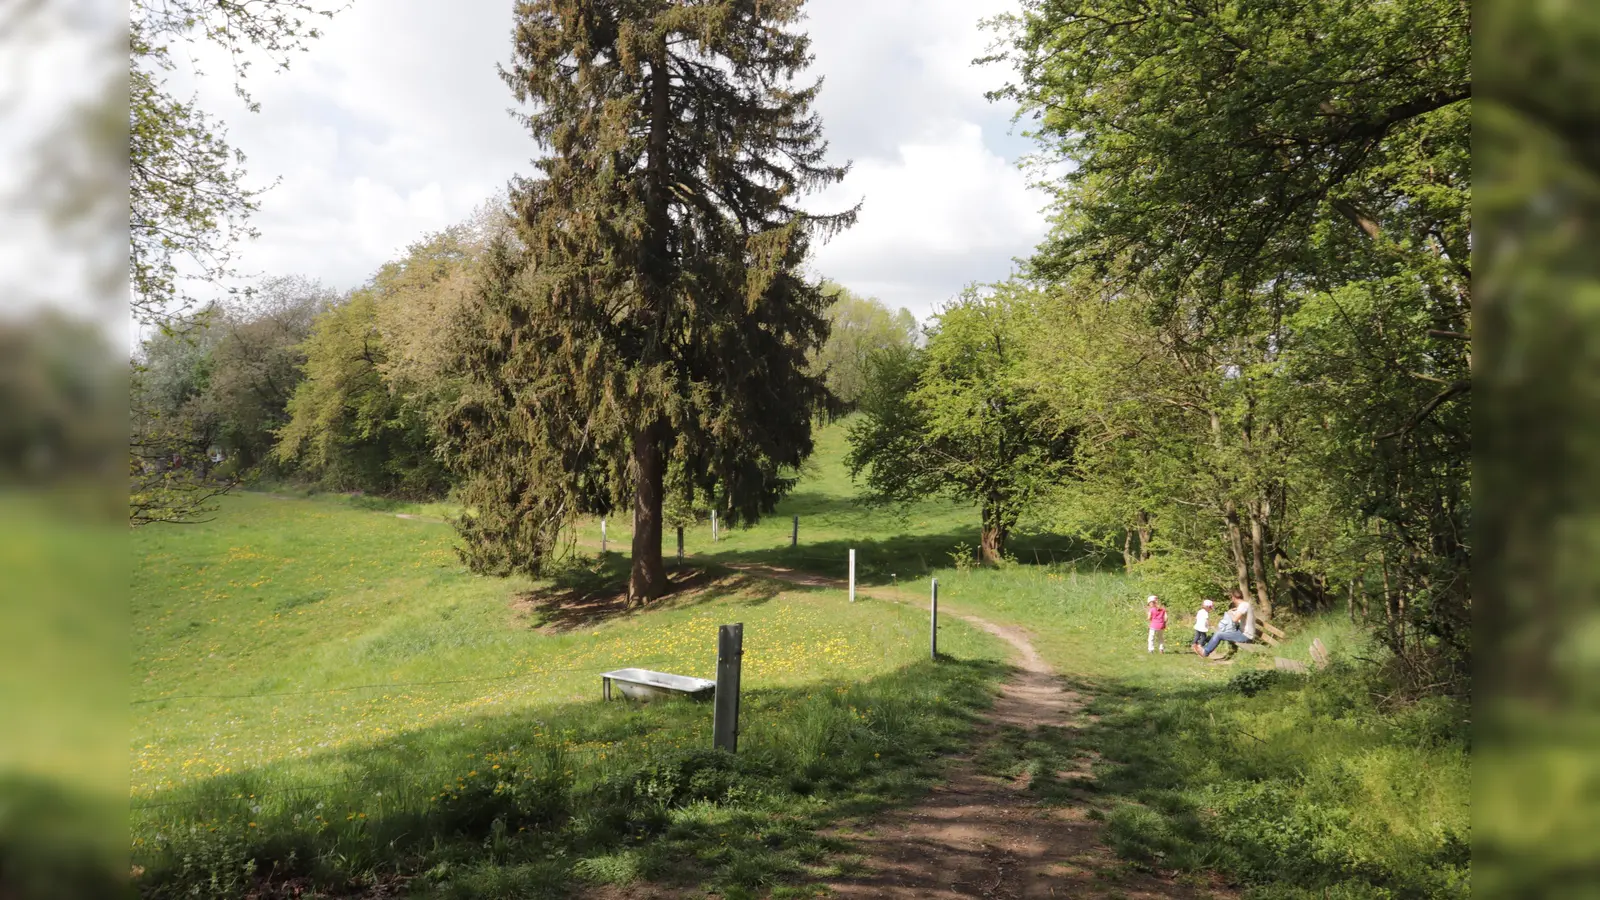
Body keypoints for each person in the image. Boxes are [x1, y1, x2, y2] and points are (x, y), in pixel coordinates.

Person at [1196, 591, 1254, 657]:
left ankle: (1205, 652)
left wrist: (1231, 613)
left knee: (1219, 634)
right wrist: (1234, 610)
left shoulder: (1243, 606)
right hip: (1242, 632)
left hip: (1245, 635)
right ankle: (1205, 649)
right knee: (1220, 631)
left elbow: (1235, 619)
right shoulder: (1245, 605)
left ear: (1233, 598)